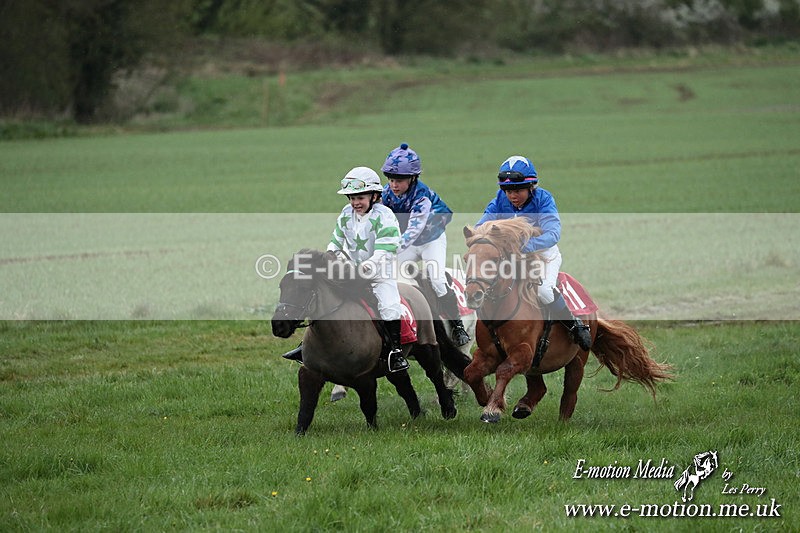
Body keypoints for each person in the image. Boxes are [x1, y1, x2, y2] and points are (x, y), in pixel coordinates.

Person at [282, 166, 410, 373]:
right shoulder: (346, 214)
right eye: (351, 198)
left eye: (360, 197)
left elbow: (386, 249)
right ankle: (306, 346)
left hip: (379, 274)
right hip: (349, 272)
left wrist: (365, 267)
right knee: (322, 297)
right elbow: (335, 242)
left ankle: (395, 353)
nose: (355, 203)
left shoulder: (384, 216)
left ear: (375, 195)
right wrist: (333, 258)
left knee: (389, 306)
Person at [476, 155, 592, 351]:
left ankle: (574, 325)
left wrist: (524, 246)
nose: (512, 196)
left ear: (531, 187)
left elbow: (553, 234)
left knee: (544, 291)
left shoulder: (544, 200)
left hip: (543, 254)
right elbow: (481, 226)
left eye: (518, 190)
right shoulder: (498, 200)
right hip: (511, 258)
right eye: (508, 191)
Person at [381, 142, 470, 346]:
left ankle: (457, 326)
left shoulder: (422, 196)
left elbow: (414, 229)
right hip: (409, 241)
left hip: (431, 239)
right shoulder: (386, 194)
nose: (394, 184)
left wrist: (392, 247)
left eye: (400, 180)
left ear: (413, 178)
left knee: (436, 278)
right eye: (391, 179)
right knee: (388, 273)